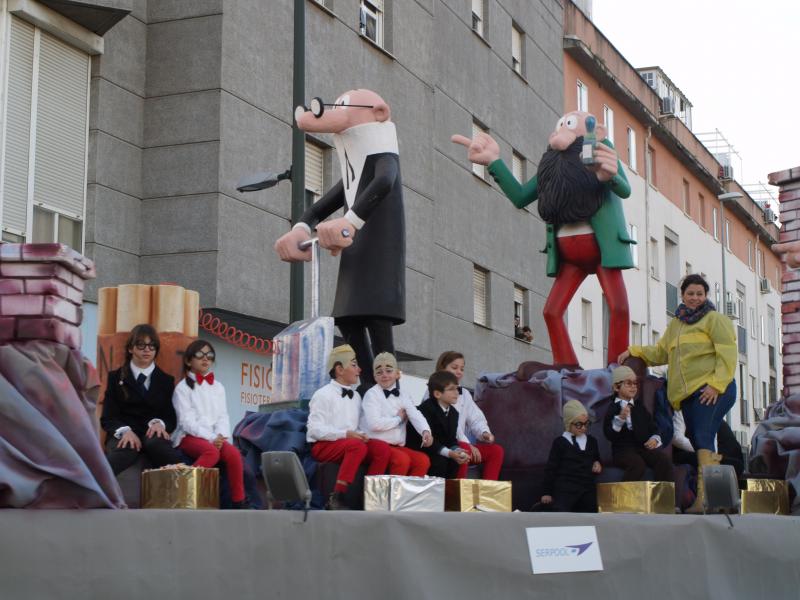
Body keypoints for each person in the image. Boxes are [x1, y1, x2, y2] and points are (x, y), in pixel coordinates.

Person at [618, 273, 736, 513]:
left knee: (702, 434)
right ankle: (719, 499)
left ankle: (704, 499)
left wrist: (716, 384)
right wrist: (634, 350)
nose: (694, 298)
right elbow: (661, 353)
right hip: (688, 395)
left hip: (713, 388)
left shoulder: (715, 319)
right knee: (696, 436)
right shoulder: (676, 325)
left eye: (699, 294)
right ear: (682, 295)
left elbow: (728, 353)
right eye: (690, 293)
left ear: (705, 296)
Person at [306, 344, 391, 510]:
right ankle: (337, 496)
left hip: (349, 443)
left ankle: (370, 497)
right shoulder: (322, 395)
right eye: (354, 365)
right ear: (339, 369)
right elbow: (314, 430)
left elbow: (357, 427)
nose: (359, 369)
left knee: (382, 449)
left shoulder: (357, 396)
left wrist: (361, 434)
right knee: (356, 447)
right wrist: (345, 434)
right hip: (323, 445)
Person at [171, 339, 250, 509]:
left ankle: (238, 501)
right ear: (188, 360)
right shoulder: (182, 388)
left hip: (215, 437)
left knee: (234, 455)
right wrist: (212, 438)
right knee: (211, 452)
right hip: (189, 437)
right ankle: (186, 490)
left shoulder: (219, 387)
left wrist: (221, 436)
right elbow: (186, 422)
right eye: (199, 355)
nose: (205, 359)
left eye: (209, 355)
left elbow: (223, 415)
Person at [100, 324, 182, 474]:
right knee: (127, 447)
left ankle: (189, 481)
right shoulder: (115, 377)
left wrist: (160, 424)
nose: (147, 350)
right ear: (131, 348)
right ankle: (92, 485)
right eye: (141, 345)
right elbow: (108, 417)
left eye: (152, 346)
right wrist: (125, 431)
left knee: (159, 446)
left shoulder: (166, 380)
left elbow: (170, 417)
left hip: (152, 435)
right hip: (124, 434)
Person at [360, 353, 433, 476]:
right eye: (379, 372)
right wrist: (398, 419)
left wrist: (425, 431)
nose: (384, 375)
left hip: (396, 446)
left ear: (396, 373)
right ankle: (387, 494)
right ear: (374, 376)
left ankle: (409, 495)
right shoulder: (371, 395)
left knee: (422, 461)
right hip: (375, 442)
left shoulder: (404, 394)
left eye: (388, 371)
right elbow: (374, 424)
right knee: (401, 460)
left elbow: (415, 414)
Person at [435, 351, 505, 480]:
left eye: (462, 369)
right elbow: (447, 426)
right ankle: (459, 492)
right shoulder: (434, 393)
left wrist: (484, 432)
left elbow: (476, 417)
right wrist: (468, 444)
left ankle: (487, 494)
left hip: (463, 445)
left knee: (496, 451)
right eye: (454, 368)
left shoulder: (465, 394)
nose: (459, 372)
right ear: (442, 368)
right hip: (444, 446)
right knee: (464, 448)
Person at [602, 365, 674, 483]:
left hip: (641, 447)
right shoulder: (613, 408)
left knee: (663, 460)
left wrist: (655, 438)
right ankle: (624, 498)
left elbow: (652, 427)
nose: (633, 387)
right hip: (622, 450)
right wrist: (619, 420)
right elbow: (609, 434)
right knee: (637, 465)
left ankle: (662, 499)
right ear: (616, 387)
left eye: (635, 383)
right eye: (628, 383)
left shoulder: (639, 407)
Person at [540, 400, 602, 512]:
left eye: (586, 424)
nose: (583, 428)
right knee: (561, 511)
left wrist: (597, 463)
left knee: (591, 511)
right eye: (579, 424)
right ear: (568, 423)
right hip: (565, 487)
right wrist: (546, 492)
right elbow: (551, 469)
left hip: (586, 487)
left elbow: (596, 457)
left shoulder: (592, 441)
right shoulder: (560, 442)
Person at [407, 371, 470, 479]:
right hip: (423, 449)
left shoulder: (454, 413)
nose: (456, 393)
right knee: (440, 462)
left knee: (455, 462)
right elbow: (429, 442)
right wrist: (449, 453)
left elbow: (451, 440)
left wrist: (457, 451)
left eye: (457, 388)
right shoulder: (426, 409)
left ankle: (449, 494)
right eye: (451, 389)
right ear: (437, 394)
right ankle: (434, 495)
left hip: (440, 450)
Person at [672, 410, 744, 478]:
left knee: (735, 466)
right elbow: (677, 438)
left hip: (717, 456)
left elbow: (713, 444)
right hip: (694, 453)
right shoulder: (681, 411)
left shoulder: (711, 415)